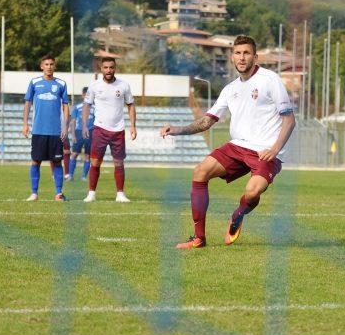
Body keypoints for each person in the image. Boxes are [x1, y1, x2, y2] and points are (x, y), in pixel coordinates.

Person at [160, 35, 296, 248]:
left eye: (246, 53)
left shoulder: (270, 80)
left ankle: (238, 214)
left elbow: (289, 120)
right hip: (238, 146)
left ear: (255, 57)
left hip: (266, 150)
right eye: (238, 53)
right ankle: (198, 238)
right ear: (232, 57)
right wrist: (177, 130)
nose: (242, 58)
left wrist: (275, 149)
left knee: (252, 192)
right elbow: (206, 121)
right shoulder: (230, 89)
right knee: (200, 172)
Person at [82, 57, 137, 203]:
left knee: (119, 162)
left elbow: (131, 105)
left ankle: (120, 194)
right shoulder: (94, 86)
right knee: (95, 162)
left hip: (118, 130)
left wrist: (133, 126)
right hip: (99, 129)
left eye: (111, 67)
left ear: (115, 68)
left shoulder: (124, 85)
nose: (108, 70)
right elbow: (87, 105)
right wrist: (84, 125)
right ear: (101, 68)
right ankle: (91, 194)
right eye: (105, 67)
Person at [22, 54, 70, 201]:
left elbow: (66, 106)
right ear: (41, 66)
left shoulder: (61, 84)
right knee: (35, 161)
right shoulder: (34, 82)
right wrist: (25, 124)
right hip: (38, 130)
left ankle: (58, 193)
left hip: (56, 131)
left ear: (54, 66)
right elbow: (28, 103)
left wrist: (65, 127)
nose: (49, 67)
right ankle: (34, 193)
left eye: (51, 64)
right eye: (46, 64)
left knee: (57, 162)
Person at [69, 86, 94, 181]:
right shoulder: (77, 107)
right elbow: (73, 121)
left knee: (88, 155)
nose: (87, 96)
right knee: (74, 154)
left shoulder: (95, 108)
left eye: (89, 95)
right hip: (79, 132)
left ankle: (84, 176)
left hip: (90, 133)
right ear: (82, 95)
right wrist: (73, 135)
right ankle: (70, 175)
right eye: (85, 95)